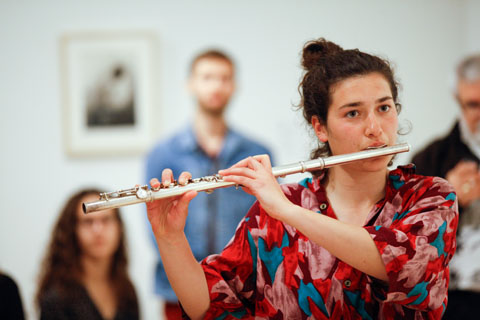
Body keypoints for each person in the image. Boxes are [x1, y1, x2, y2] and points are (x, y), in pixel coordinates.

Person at [145, 38, 459, 319]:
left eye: (384, 107)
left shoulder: (431, 197)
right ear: (320, 127)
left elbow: (405, 267)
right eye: (353, 113)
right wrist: (170, 237)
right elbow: (208, 303)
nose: (375, 128)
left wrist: (288, 212)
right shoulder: (278, 208)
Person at [145, 49, 273, 319]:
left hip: (244, 290)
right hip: (176, 290)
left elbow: (269, 221)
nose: (216, 85)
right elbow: (154, 227)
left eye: (224, 78)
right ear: (190, 84)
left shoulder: (257, 151)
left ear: (234, 85)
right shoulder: (162, 153)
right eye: (207, 77)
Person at [411, 53, 480, 319]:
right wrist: (451, 201)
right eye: (473, 104)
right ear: (458, 102)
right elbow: (410, 240)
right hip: (457, 299)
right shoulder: (431, 158)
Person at [36, 189, 139, 320]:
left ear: (119, 227)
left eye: (106, 220)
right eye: (87, 222)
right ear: (72, 231)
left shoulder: (127, 291)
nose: (98, 230)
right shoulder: (56, 297)